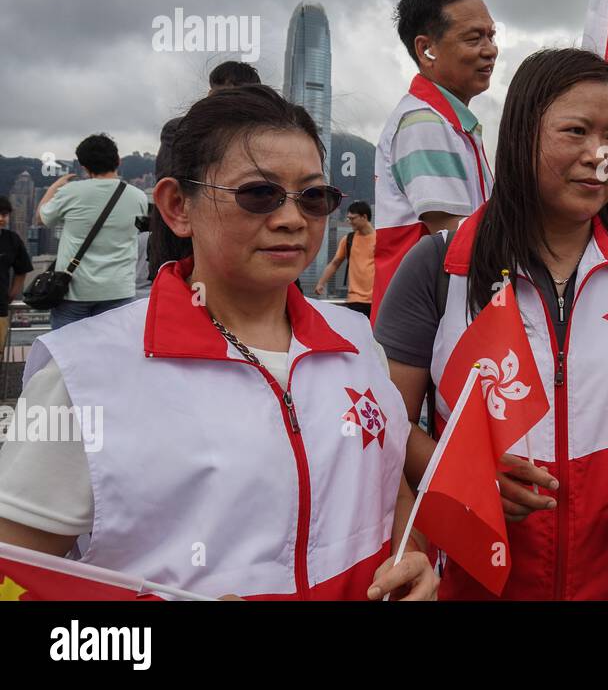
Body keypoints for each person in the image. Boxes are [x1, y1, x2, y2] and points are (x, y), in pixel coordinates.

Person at [0, 85, 435, 600]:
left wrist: (413, 559)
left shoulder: (357, 342)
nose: (292, 218)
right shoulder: (84, 377)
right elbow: (15, 577)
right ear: (177, 206)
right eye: (259, 194)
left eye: (313, 197)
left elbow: (392, 491)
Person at [375, 48, 608, 600]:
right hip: (479, 580)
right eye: (576, 131)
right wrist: (465, 476)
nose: (600, 156)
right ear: (523, 134)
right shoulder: (441, 267)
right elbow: (389, 420)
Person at [372, 0, 497, 322]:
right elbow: (455, 235)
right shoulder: (423, 122)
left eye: (491, 35)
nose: (490, 50)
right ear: (426, 49)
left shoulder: (451, 122)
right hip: (427, 324)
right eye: (474, 38)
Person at [149, 60, 263, 276]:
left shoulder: (265, 136)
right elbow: (173, 185)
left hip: (244, 250)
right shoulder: (181, 130)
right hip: (184, 249)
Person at [36, 134, 149, 329]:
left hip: (74, 292)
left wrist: (54, 187)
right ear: (118, 161)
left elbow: (42, 218)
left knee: (68, 354)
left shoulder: (71, 192)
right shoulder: (138, 196)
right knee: (111, 354)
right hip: (119, 291)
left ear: (84, 167)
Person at [315, 201, 376, 317]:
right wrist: (321, 283)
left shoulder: (380, 239)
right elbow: (335, 263)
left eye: (352, 218)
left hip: (376, 299)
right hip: (354, 299)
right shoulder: (348, 239)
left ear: (364, 217)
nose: (350, 222)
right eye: (348, 219)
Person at [0, 197, 33, 350]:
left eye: (4, 214)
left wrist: (12, 294)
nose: (1, 218)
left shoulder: (12, 240)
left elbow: (22, 270)